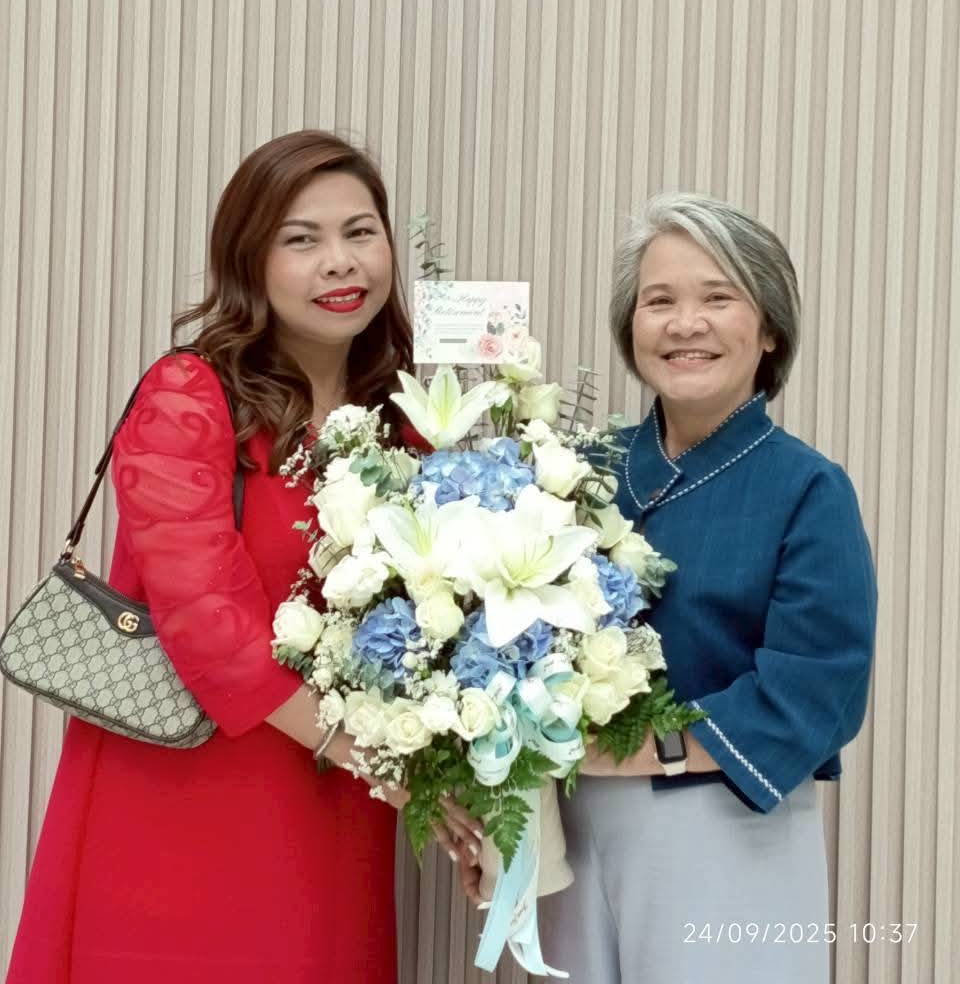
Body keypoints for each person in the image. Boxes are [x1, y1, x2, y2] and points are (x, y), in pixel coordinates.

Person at [7, 131, 472, 984]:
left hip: (336, 802)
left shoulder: (403, 419)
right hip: (184, 792)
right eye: (302, 239)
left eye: (360, 232)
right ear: (249, 260)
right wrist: (388, 766)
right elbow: (207, 623)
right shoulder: (191, 395)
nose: (340, 262)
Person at [460, 192, 877, 984]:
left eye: (718, 297)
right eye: (660, 302)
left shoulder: (807, 489)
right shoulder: (578, 471)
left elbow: (815, 693)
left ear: (770, 329)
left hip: (727, 828)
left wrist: (631, 752)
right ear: (631, 327)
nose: (687, 324)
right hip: (570, 828)